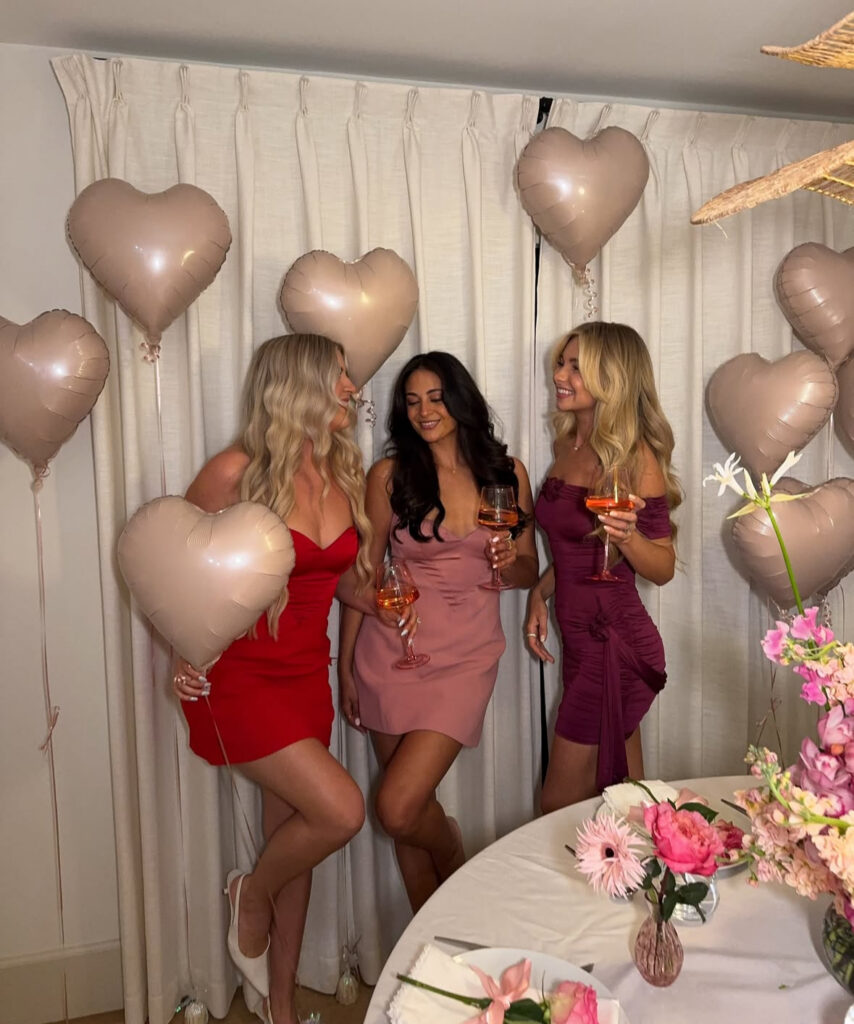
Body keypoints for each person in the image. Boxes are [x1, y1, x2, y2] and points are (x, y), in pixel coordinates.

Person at [172, 334, 379, 1024]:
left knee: (301, 839)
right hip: (239, 680)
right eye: (340, 377)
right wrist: (180, 651)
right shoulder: (235, 471)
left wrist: (397, 603)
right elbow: (169, 568)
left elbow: (343, 586)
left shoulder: (342, 473)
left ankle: (281, 1008)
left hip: (305, 677)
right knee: (340, 811)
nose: (351, 388)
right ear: (301, 386)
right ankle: (250, 896)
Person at [337, 351, 538, 912]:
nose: (425, 411)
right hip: (390, 656)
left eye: (436, 397)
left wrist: (505, 558)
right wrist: (345, 667)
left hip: (466, 655)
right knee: (403, 825)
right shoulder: (389, 477)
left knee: (398, 807)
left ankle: (451, 846)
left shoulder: (507, 473)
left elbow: (526, 570)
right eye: (412, 400)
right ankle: (439, 955)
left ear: (460, 399)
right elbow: (362, 576)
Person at [525, 321, 680, 812]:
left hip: (615, 645)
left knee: (556, 811)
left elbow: (664, 567)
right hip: (580, 642)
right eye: (561, 362)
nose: (560, 375)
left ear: (610, 377)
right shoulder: (564, 444)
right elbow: (574, 549)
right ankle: (649, 886)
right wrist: (538, 592)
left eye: (576, 367)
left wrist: (629, 535)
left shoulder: (636, 458)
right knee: (628, 804)